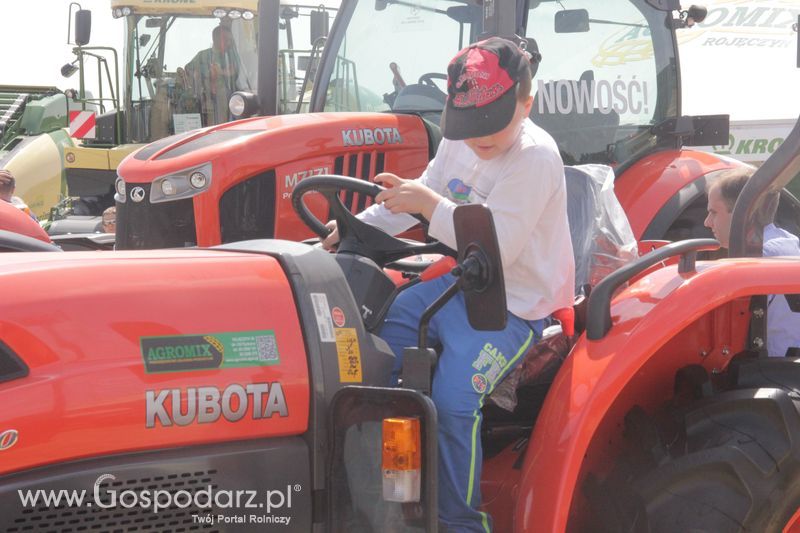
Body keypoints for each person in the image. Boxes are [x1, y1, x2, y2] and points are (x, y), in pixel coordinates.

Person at [324, 37, 575, 531]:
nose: (479, 137)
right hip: (461, 283)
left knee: (454, 400)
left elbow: (496, 246)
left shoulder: (535, 158)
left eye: (491, 124)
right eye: (469, 124)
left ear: (527, 103)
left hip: (511, 305)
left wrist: (427, 204)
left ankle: (459, 521)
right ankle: (387, 492)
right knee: (380, 343)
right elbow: (415, 197)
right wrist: (354, 226)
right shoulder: (461, 141)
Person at [704, 167, 800, 357]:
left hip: (772, 368)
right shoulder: (790, 243)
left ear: (744, 213)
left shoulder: (760, 258)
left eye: (713, 212)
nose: (707, 222)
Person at [184, 24, 241, 126]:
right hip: (205, 98)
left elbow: (235, 71)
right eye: (226, 39)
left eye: (229, 40)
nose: (228, 43)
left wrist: (220, 72)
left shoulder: (231, 56)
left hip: (225, 100)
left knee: (224, 126)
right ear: (215, 39)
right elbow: (188, 69)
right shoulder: (202, 55)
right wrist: (201, 75)